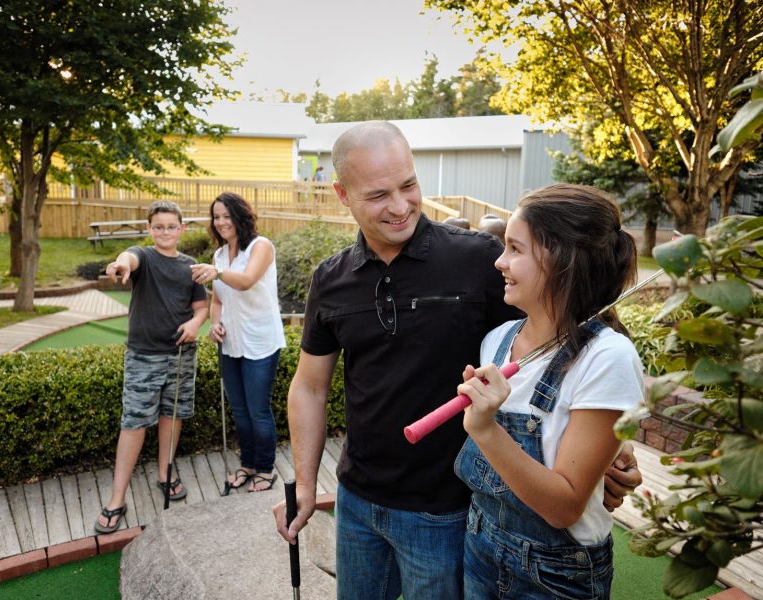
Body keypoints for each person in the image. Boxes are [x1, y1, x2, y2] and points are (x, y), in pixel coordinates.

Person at [272, 121, 642, 600]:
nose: (401, 205)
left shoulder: (480, 260)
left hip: (447, 511)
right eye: (379, 195)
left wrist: (615, 448)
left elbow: (572, 328)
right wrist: (305, 482)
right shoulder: (331, 278)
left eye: (409, 185)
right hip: (356, 499)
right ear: (342, 194)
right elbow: (309, 386)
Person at [456, 184, 643, 598]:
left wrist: (486, 429)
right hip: (480, 542)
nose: (500, 262)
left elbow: (563, 507)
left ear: (563, 260)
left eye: (515, 249)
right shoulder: (498, 341)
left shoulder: (607, 357)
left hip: (556, 573)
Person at [94, 200, 208, 534]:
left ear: (181, 229)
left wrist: (195, 323)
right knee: (133, 424)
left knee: (171, 418)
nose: (165, 232)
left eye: (171, 226)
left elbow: (201, 307)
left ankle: (165, 474)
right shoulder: (142, 257)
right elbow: (128, 258)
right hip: (144, 355)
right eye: (158, 227)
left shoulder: (190, 267)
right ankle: (117, 498)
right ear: (149, 229)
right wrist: (119, 265)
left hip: (181, 355)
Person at [190, 192, 286, 493]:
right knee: (240, 410)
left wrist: (217, 272)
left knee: (258, 409)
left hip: (260, 341)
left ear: (240, 216)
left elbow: (245, 281)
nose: (220, 222)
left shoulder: (261, 246)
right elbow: (217, 299)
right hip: (231, 343)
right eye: (216, 217)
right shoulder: (219, 255)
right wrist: (215, 322)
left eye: (226, 216)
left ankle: (265, 468)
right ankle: (247, 464)